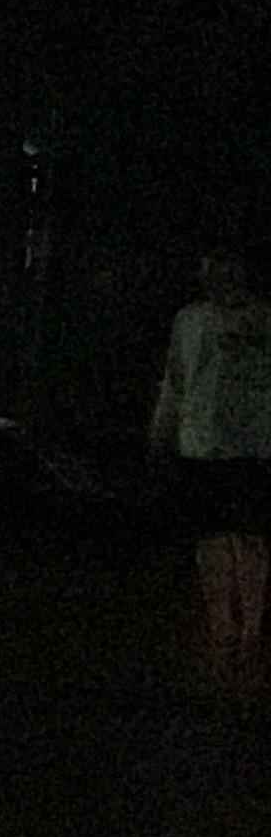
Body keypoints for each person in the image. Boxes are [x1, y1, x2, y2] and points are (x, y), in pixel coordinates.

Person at [148, 245, 271, 680]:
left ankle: (250, 628)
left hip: (252, 444)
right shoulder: (190, 319)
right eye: (212, 263)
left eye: (227, 262)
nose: (218, 272)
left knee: (249, 538)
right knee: (213, 538)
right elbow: (176, 379)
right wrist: (162, 431)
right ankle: (223, 624)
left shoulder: (263, 320)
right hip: (200, 443)